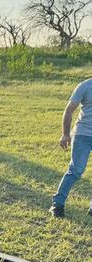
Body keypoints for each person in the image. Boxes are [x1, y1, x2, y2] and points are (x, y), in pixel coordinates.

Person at [49, 78, 92, 218]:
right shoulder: (85, 86)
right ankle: (57, 204)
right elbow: (69, 110)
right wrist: (65, 134)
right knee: (76, 170)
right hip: (83, 134)